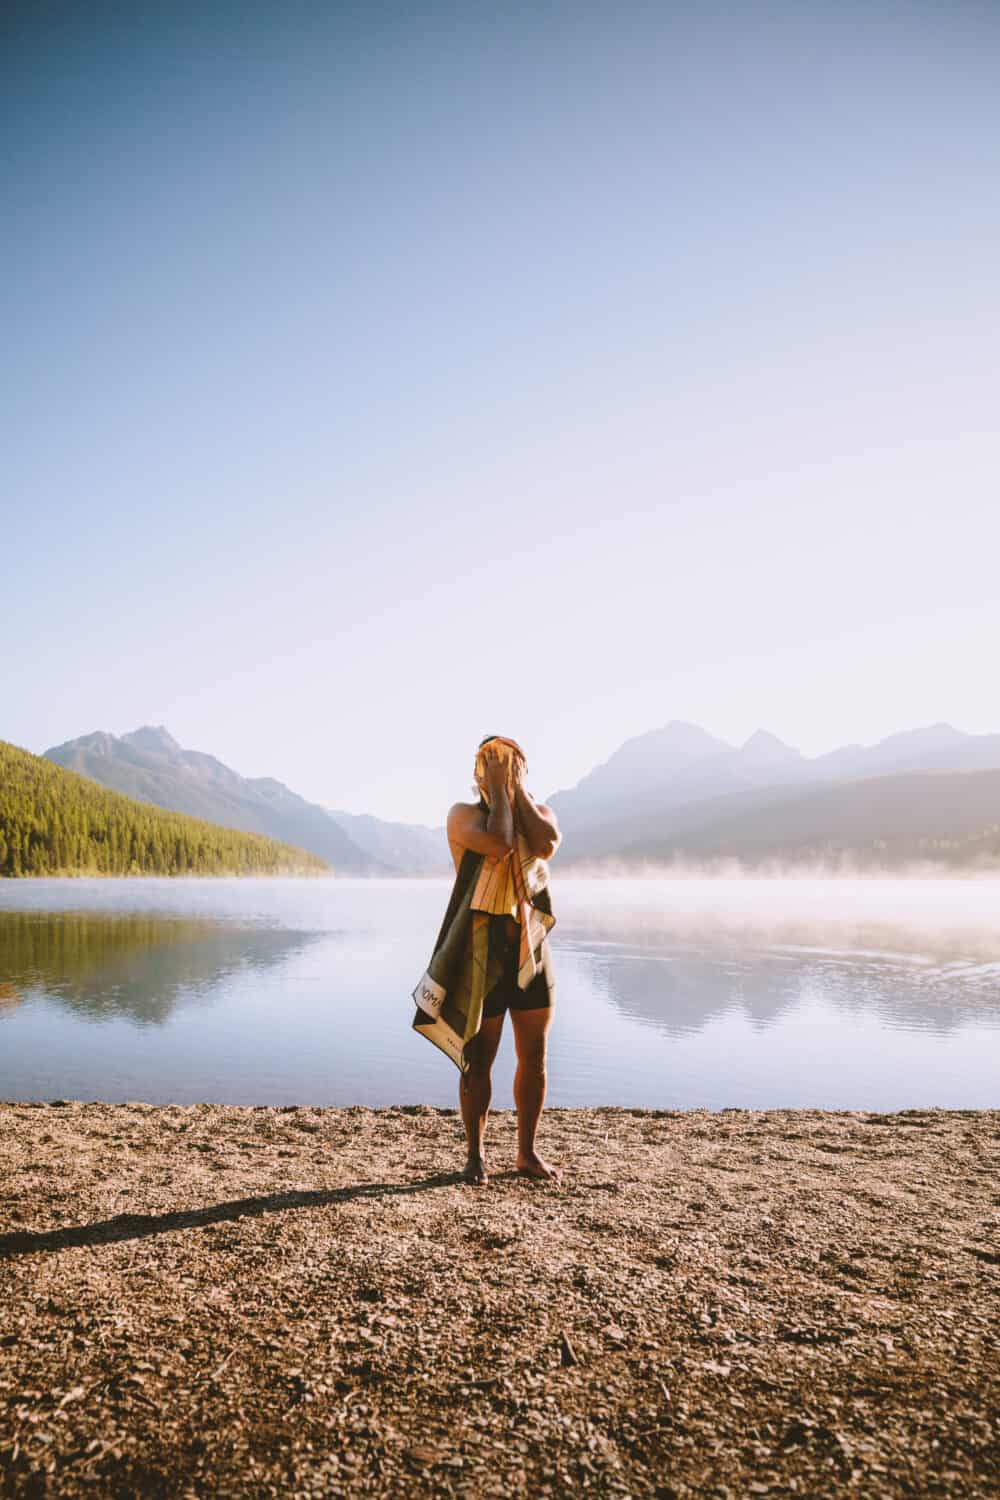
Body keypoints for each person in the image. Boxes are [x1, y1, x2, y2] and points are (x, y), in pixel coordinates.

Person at [444, 737, 562, 1185]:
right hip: (483, 950)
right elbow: (500, 841)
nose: (502, 769)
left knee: (534, 1055)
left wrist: (516, 790)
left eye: (512, 763)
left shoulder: (541, 815)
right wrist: (497, 788)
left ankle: (526, 1153)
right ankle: (474, 1156)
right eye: (492, 763)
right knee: (479, 1057)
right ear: (477, 771)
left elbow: (545, 844)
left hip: (530, 949)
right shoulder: (463, 816)